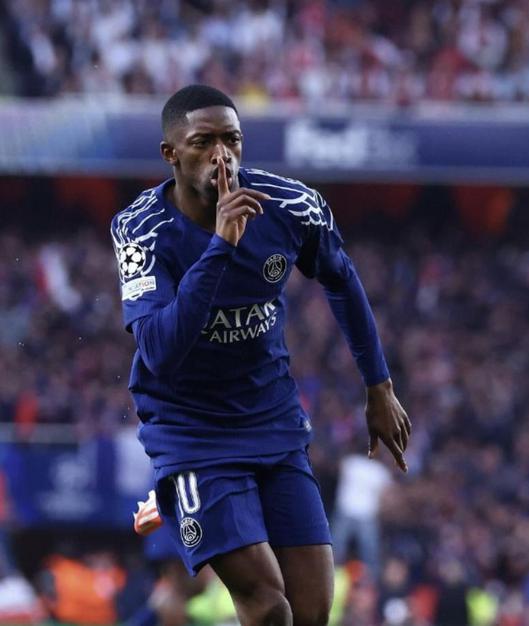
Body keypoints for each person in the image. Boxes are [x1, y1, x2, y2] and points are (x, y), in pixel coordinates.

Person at [110, 84, 411, 626]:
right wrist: (221, 246)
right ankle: (177, 495)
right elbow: (159, 350)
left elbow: (342, 279)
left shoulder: (289, 205)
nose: (221, 154)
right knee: (269, 606)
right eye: (203, 142)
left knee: (311, 611)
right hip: (193, 435)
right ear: (170, 153)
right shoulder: (141, 230)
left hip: (273, 423)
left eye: (232, 139)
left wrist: (379, 387)